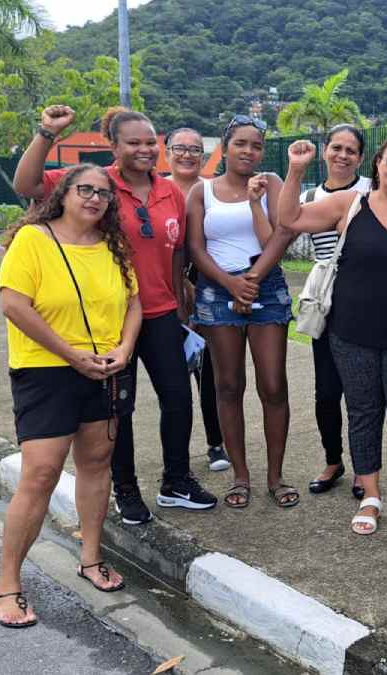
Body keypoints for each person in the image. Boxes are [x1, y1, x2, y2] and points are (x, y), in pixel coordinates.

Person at [13, 106, 216, 525]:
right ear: (114, 146)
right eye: (134, 143)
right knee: (117, 409)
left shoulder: (169, 192)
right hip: (110, 318)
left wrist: (181, 299)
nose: (144, 150)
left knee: (178, 397)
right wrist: (47, 133)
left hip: (159, 312)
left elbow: (176, 251)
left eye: (149, 143)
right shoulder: (96, 185)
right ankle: (125, 490)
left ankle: (176, 480)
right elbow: (27, 183)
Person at [249, 136, 387, 538]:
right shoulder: (351, 204)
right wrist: (295, 169)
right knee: (362, 413)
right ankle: (371, 496)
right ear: (378, 164)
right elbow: (289, 219)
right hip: (351, 333)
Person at [0, 164, 142, 627]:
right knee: (40, 474)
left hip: (104, 370)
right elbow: (14, 302)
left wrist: (124, 347)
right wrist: (70, 354)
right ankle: (7, 586)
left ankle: (91, 557)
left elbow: (133, 302)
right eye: (86, 190)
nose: (95, 199)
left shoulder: (113, 246)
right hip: (46, 371)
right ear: (64, 193)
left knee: (97, 464)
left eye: (103, 194)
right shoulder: (34, 239)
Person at [186, 115, 295, 509]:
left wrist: (251, 279)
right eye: (241, 144)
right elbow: (196, 248)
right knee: (228, 386)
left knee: (273, 385)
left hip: (266, 287)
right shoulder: (202, 192)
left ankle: (275, 476)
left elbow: (282, 234)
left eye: (257, 145)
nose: (249, 151)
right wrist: (232, 285)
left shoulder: (271, 184)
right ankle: (240, 476)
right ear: (226, 147)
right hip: (217, 292)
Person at [300, 124, 371, 496]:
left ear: (360, 157)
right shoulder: (310, 195)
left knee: (361, 391)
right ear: (324, 150)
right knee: (326, 391)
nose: (343, 155)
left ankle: (364, 468)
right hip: (325, 300)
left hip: (363, 298)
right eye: (336, 148)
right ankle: (333, 460)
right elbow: (284, 230)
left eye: (351, 150)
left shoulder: (372, 190)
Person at [164, 127, 230, 474]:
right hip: (162, 289)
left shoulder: (211, 190)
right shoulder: (156, 191)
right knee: (173, 375)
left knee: (209, 370)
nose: (187, 155)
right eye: (180, 148)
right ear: (167, 152)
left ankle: (215, 442)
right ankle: (175, 453)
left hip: (206, 286)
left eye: (194, 150)